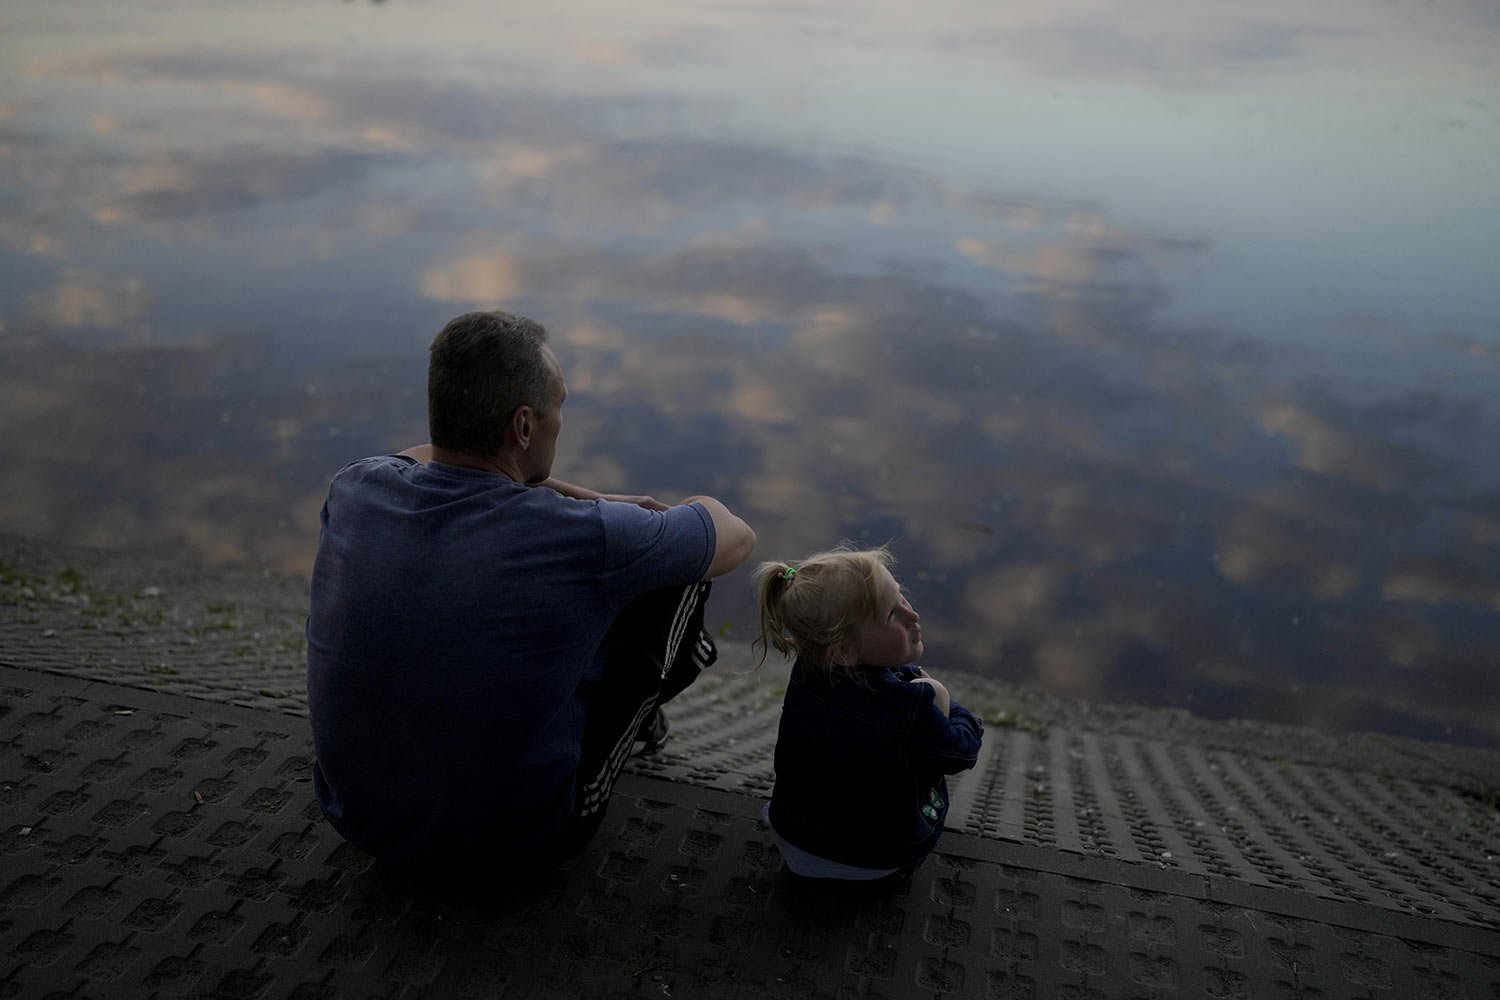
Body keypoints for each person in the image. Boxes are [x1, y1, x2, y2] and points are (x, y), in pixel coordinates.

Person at [306, 310, 755, 875]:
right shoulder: (577, 536)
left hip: (358, 817)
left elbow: (424, 453)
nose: (561, 420)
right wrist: (611, 511)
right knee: (680, 576)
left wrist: (587, 497)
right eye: (559, 406)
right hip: (517, 841)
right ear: (523, 427)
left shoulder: (356, 488)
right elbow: (733, 537)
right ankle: (635, 718)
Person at [753, 544, 983, 885]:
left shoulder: (809, 669)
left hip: (791, 832)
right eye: (891, 614)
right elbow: (960, 753)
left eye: (901, 596)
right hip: (873, 861)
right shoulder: (911, 706)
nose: (912, 615)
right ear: (843, 651)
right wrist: (943, 698)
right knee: (928, 762)